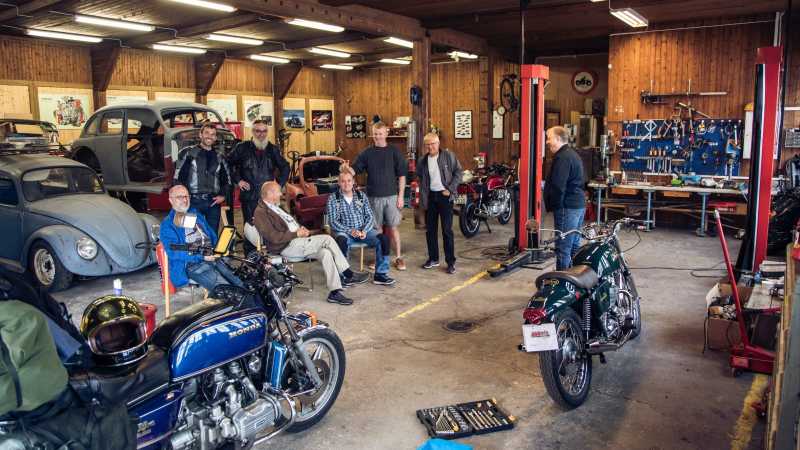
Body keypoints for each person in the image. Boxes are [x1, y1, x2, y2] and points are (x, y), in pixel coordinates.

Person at [253, 182, 368, 305]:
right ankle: (348, 274)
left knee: (325, 253)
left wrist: (301, 229)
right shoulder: (261, 212)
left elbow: (291, 223)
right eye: (278, 192)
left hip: (298, 242)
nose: (281, 194)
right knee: (327, 239)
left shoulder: (276, 206)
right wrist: (296, 234)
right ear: (269, 193)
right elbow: (273, 237)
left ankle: (334, 292)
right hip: (286, 246)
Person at [340, 121, 408, 271]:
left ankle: (398, 258)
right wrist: (346, 169)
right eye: (375, 134)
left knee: (393, 227)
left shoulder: (394, 152)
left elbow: (402, 175)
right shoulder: (367, 153)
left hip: (391, 196)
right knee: (377, 230)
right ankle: (380, 259)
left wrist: (401, 196)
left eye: (380, 133)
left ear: (386, 133)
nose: (378, 137)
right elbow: (354, 170)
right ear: (373, 134)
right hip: (373, 198)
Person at [159, 185, 243, 292]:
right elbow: (174, 252)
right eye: (180, 197)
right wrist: (201, 257)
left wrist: (219, 248)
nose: (185, 200)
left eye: (186, 196)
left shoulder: (195, 214)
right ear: (171, 200)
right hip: (191, 264)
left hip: (211, 256)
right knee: (225, 289)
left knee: (240, 281)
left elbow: (211, 235)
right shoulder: (168, 224)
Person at [326, 171, 395, 285]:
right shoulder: (333, 198)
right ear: (338, 183)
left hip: (363, 231)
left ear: (353, 182)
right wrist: (350, 231)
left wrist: (364, 230)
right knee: (341, 241)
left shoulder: (361, 196)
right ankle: (344, 276)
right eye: (343, 181)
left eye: (349, 181)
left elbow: (370, 217)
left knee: (383, 239)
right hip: (345, 232)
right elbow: (333, 222)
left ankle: (380, 275)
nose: (346, 184)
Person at [227, 119, 290, 237]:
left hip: (269, 197)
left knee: (270, 227)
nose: (261, 134)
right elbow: (228, 163)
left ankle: (269, 253)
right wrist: (238, 180)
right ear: (252, 132)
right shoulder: (242, 148)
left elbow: (285, 166)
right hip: (249, 196)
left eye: (264, 131)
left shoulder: (273, 150)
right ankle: (251, 254)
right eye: (257, 131)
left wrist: (279, 185)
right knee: (250, 229)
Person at [417, 133, 463, 274]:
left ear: (438, 143)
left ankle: (450, 262)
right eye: (427, 144)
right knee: (430, 230)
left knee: (447, 230)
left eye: (433, 143)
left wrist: (450, 189)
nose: (430, 147)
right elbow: (421, 179)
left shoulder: (448, 156)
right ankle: (433, 259)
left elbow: (458, 172)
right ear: (425, 146)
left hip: (444, 197)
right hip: (430, 197)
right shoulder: (422, 161)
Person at [173, 122, 232, 234]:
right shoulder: (188, 153)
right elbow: (178, 177)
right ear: (200, 135)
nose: (209, 136)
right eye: (206, 133)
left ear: (215, 137)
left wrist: (223, 196)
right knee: (191, 234)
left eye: (213, 134)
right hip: (192, 201)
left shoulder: (220, 156)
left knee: (212, 234)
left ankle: (210, 252)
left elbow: (227, 179)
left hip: (213, 202)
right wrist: (182, 199)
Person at [544, 126, 586, 270]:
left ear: (557, 139)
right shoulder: (572, 154)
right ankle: (575, 280)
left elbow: (558, 186)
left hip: (567, 207)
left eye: (549, 138)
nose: (547, 142)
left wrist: (553, 206)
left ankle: (563, 285)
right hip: (578, 204)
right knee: (573, 245)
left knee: (563, 248)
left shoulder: (562, 157)